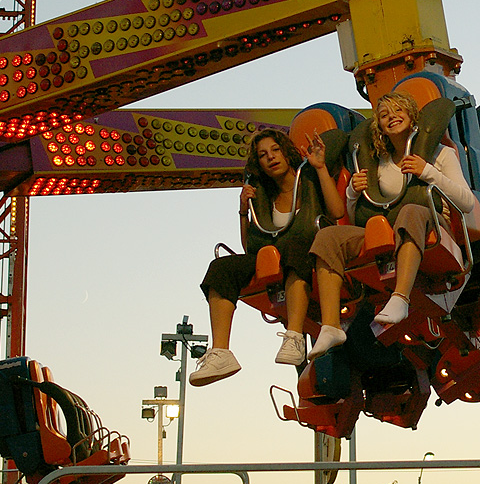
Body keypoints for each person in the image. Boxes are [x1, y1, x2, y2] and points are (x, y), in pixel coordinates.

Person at [309, 91, 475, 360]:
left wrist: (427, 171)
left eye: (399, 111)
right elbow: (356, 214)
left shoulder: (440, 153)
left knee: (410, 211)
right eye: (384, 115)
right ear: (379, 127)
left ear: (413, 118)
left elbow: (466, 202)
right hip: (388, 231)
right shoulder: (378, 163)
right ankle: (331, 326)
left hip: (433, 225)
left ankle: (401, 298)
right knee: (329, 238)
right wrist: (352, 192)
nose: (392, 117)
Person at [190, 127, 346, 387]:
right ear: (258, 163)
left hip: (306, 253)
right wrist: (243, 211)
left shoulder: (307, 178)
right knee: (220, 268)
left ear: (286, 153)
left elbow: (337, 210)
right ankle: (221, 353)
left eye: (275, 150)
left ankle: (294, 335)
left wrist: (319, 167)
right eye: (263, 155)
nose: (271, 157)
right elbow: (251, 245)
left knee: (296, 248)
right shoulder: (262, 192)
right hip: (275, 255)